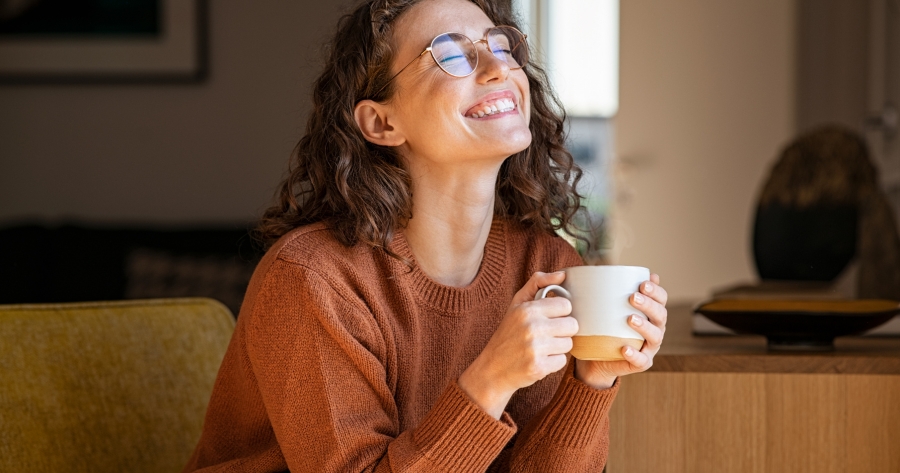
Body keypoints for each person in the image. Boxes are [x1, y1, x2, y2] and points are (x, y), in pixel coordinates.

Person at [183, 0, 668, 471]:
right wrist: (490, 379)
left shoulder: (546, 262)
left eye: (500, 46)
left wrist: (592, 380)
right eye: (451, 54)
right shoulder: (315, 280)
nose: (498, 69)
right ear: (382, 122)